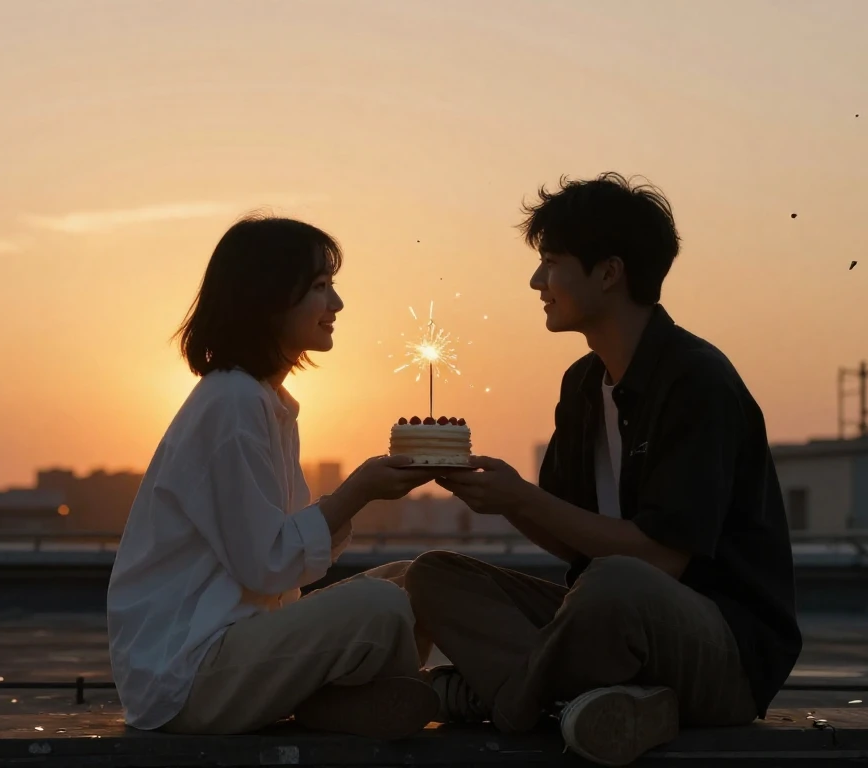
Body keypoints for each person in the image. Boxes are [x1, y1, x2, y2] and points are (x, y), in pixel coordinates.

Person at [408, 173, 802, 766]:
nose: (537, 281)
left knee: (615, 583)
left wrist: (524, 499)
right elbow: (572, 539)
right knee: (433, 575)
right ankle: (604, 704)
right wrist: (504, 498)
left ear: (610, 273)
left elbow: (661, 561)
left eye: (553, 262)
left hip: (723, 650)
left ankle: (504, 702)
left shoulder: (697, 381)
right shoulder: (583, 383)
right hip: (608, 622)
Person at [107, 214, 442, 739]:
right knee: (379, 604)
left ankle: (343, 704)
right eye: (319, 288)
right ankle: (411, 697)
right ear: (268, 301)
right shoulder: (232, 404)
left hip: (239, 648)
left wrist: (360, 494)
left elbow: (284, 562)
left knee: (421, 581)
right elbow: (266, 564)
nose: (336, 305)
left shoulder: (266, 402)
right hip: (188, 677)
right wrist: (357, 492)